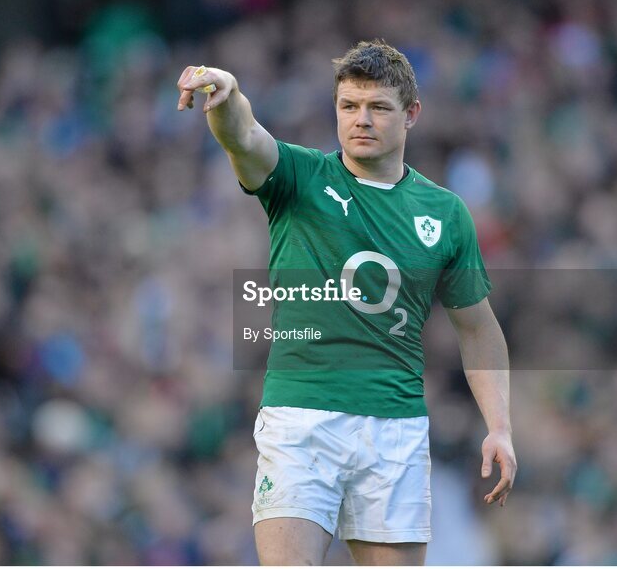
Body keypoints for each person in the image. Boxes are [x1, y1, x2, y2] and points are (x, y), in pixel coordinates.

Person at [176, 40, 516, 566]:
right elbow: (244, 139)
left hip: (394, 428)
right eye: (349, 106)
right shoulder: (300, 178)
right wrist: (227, 97)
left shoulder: (445, 214)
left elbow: (477, 328)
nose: (362, 119)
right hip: (300, 418)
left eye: (378, 107)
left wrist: (499, 426)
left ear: (411, 115)